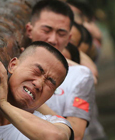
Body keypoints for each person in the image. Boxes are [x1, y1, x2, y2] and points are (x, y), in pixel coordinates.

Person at [24, 1, 95, 140]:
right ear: (29, 30)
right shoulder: (11, 62)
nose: (52, 39)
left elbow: (76, 134)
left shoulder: (81, 75)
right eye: (46, 30)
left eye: (61, 33)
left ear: (69, 38)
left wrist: (28, 95)